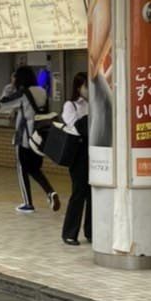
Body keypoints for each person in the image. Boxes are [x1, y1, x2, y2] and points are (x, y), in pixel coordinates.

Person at [0, 65, 60, 214]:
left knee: (22, 169)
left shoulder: (23, 93)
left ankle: (27, 203)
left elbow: (4, 103)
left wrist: (10, 86)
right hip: (39, 138)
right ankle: (50, 192)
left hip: (24, 138)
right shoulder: (42, 91)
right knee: (34, 169)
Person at [60, 71, 91, 246]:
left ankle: (91, 231)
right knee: (78, 192)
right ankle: (70, 233)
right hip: (78, 154)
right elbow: (75, 127)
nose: (89, 89)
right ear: (78, 87)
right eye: (86, 86)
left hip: (93, 151)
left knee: (92, 193)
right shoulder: (70, 105)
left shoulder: (94, 103)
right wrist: (89, 117)